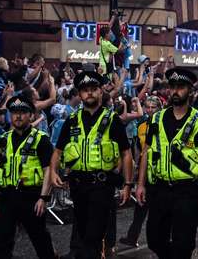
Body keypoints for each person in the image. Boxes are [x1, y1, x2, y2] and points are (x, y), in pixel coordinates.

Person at [136, 68, 198, 259]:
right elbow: (146, 151)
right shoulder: (156, 119)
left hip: (187, 191)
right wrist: (140, 184)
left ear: (190, 90)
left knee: (184, 244)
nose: (175, 91)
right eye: (172, 87)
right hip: (159, 189)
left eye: (180, 87)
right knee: (155, 239)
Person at [50, 71, 132, 259]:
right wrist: (54, 171)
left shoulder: (112, 120)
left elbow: (126, 153)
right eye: (85, 90)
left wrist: (128, 184)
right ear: (79, 94)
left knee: (93, 237)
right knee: (83, 233)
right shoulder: (71, 120)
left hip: (102, 186)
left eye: (94, 90)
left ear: (101, 92)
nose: (89, 94)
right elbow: (58, 151)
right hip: (78, 186)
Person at [0, 96, 56, 259]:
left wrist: (43, 198)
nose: (18, 116)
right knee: (3, 241)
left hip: (31, 197)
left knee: (40, 239)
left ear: (31, 115)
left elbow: (48, 169)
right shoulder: (3, 139)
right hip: (7, 196)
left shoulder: (41, 139)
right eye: (14, 113)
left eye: (22, 112)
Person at [120, 96, 162, 249]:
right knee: (140, 205)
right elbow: (138, 148)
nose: (150, 110)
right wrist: (138, 166)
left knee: (159, 208)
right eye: (148, 107)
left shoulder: (164, 124)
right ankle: (132, 237)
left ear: (159, 108)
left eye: (153, 107)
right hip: (145, 170)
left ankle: (161, 238)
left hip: (159, 170)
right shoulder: (141, 125)